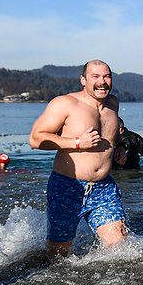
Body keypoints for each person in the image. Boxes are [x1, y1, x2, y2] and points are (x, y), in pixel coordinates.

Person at [29, 60, 127, 256]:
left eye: (107, 76)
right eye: (95, 76)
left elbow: (112, 132)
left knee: (120, 246)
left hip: (103, 187)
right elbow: (36, 139)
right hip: (68, 187)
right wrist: (76, 143)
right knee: (59, 255)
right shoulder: (65, 103)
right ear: (83, 80)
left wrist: (120, 146)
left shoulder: (113, 103)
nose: (102, 82)